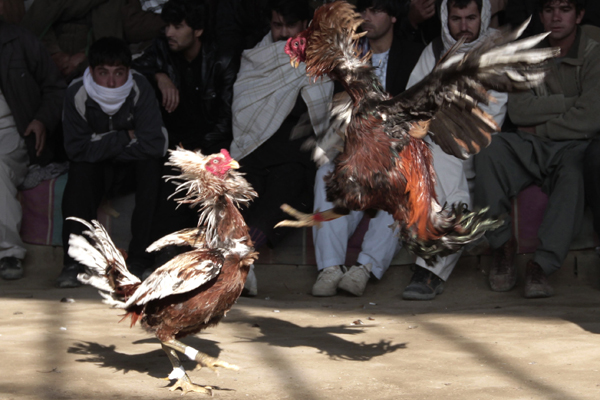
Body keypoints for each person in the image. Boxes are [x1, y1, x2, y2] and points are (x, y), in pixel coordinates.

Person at [475, 0, 600, 298]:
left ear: (579, 14)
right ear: (541, 15)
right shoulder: (529, 51)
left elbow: (591, 116)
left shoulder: (594, 50)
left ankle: (541, 265)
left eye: (565, 8)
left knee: (573, 173)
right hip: (532, 144)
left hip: (573, 144)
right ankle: (503, 246)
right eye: (549, 10)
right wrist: (569, 102)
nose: (556, 17)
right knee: (489, 149)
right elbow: (520, 112)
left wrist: (543, 125)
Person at [311, 0, 425, 297]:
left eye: (377, 10)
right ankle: (331, 268)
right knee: (327, 171)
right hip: (355, 148)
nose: (367, 17)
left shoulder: (413, 55)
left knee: (406, 180)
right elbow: (338, 107)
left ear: (394, 17)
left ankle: (365, 267)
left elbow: (419, 113)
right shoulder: (349, 55)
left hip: (397, 151)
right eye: (364, 10)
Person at [401, 0, 508, 300]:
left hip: (473, 155)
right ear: (446, 19)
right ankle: (461, 218)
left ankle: (428, 272)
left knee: (443, 157)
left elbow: (491, 122)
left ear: (483, 16)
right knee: (436, 157)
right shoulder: (434, 53)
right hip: (435, 156)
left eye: (471, 18)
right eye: (456, 18)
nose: (463, 26)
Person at [230, 0, 333, 295]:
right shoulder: (258, 55)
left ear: (305, 26)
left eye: (291, 26)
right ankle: (242, 262)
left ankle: (242, 258)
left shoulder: (319, 57)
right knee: (241, 189)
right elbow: (244, 100)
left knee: (286, 191)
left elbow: (322, 110)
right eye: (277, 25)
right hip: (254, 142)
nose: (283, 33)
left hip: (295, 150)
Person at [132, 0, 238, 275]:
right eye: (167, 25)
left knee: (206, 186)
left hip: (213, 144)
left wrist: (200, 153)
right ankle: (156, 261)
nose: (169, 32)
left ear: (198, 30)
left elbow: (225, 120)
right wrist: (160, 76)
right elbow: (133, 68)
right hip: (173, 144)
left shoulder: (221, 59)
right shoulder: (162, 50)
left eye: (177, 27)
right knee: (164, 186)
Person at [57, 36, 167, 287]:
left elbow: (155, 145)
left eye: (118, 73)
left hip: (130, 168)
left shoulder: (139, 87)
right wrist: (125, 136)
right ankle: (74, 262)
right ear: (91, 71)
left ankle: (140, 260)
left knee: (152, 169)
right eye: (103, 73)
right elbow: (75, 149)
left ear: (128, 71)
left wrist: (101, 144)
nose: (111, 81)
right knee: (80, 171)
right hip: (96, 168)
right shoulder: (77, 92)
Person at [0, 0, 66, 281]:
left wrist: (41, 121)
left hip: (11, 130)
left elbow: (56, 88)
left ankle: (8, 253)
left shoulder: (20, 40)